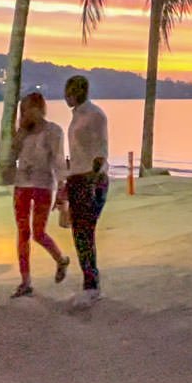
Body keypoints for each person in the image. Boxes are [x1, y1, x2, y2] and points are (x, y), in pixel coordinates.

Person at [11, 91, 71, 298]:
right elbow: (12, 157)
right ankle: (25, 280)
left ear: (40, 108)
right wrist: (17, 138)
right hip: (22, 185)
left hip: (43, 185)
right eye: (25, 109)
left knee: (38, 232)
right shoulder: (22, 133)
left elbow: (58, 159)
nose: (28, 113)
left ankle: (60, 259)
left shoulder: (53, 131)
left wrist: (63, 186)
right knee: (22, 233)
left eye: (31, 108)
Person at [63, 75, 108, 305]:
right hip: (76, 179)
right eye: (67, 89)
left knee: (85, 232)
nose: (67, 94)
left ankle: (92, 285)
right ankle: (89, 282)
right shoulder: (76, 116)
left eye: (71, 90)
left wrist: (92, 182)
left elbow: (101, 151)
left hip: (90, 180)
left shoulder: (94, 115)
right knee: (79, 234)